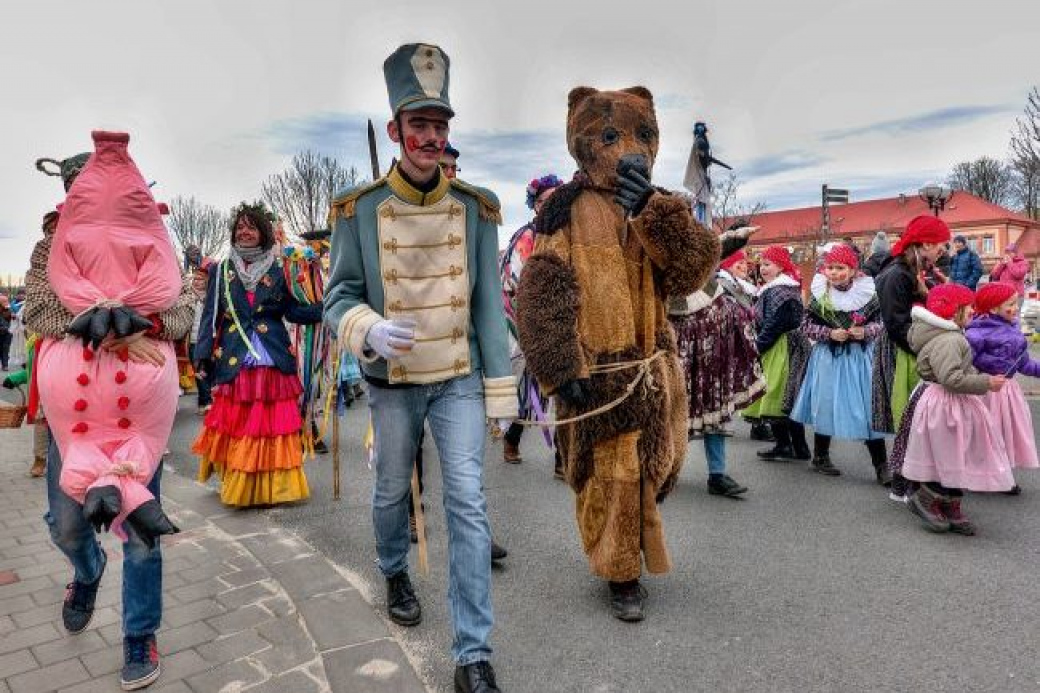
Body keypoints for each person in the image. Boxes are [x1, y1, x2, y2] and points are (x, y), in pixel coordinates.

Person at [323, 43, 515, 693]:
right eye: (420, 125)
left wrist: (499, 390)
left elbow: (490, 302)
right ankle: (393, 566)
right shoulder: (360, 209)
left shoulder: (477, 207)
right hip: (394, 382)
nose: (432, 137)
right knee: (389, 495)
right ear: (395, 130)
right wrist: (367, 326)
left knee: (466, 502)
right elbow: (337, 297)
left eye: (440, 126)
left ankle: (472, 654)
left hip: (457, 375)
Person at [516, 85, 718, 623]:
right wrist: (560, 367)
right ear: (585, 140)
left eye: (641, 135)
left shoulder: (660, 205)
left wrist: (654, 211)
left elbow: (692, 271)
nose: (629, 148)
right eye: (611, 136)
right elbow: (541, 291)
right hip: (599, 371)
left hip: (653, 371)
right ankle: (623, 572)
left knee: (652, 471)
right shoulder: (564, 212)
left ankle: (630, 553)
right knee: (615, 477)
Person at [25, 143, 195, 691]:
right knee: (66, 524)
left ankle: (138, 633)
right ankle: (87, 569)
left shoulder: (151, 237)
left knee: (141, 530)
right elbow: (38, 309)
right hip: (74, 417)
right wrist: (93, 321)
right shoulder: (51, 243)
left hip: (135, 423)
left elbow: (183, 306)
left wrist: (139, 323)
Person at [192, 202, 323, 508]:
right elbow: (211, 315)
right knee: (239, 423)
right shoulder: (222, 270)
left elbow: (292, 311)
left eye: (251, 227)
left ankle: (272, 487)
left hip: (272, 357)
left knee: (269, 423)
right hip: (235, 356)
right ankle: (241, 483)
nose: (245, 232)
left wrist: (324, 307)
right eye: (240, 227)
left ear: (263, 233)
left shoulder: (281, 270)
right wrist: (202, 356)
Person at [901, 283, 1013, 535]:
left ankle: (950, 504)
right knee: (948, 454)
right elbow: (951, 378)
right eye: (967, 307)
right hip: (946, 404)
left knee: (954, 453)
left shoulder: (952, 336)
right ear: (952, 312)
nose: (973, 311)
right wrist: (985, 382)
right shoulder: (949, 340)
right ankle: (927, 500)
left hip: (949, 403)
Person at [669, 237, 762, 498]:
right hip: (677, 365)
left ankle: (717, 475)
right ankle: (665, 471)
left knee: (715, 416)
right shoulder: (663, 294)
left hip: (712, 365)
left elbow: (741, 318)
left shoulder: (716, 289)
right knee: (672, 418)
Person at [790, 244, 889, 481]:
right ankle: (820, 455)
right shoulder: (819, 294)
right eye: (830, 268)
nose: (834, 272)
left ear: (853, 270)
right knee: (825, 402)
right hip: (828, 357)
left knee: (867, 406)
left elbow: (881, 323)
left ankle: (881, 465)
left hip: (859, 357)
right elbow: (805, 326)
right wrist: (828, 333)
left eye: (840, 268)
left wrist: (865, 331)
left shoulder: (868, 294)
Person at [872, 215, 951, 500]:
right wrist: (930, 350)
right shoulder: (897, 274)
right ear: (925, 243)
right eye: (941, 245)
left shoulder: (916, 271)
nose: (944, 250)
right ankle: (903, 483)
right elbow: (896, 324)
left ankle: (916, 479)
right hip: (904, 351)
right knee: (912, 419)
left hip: (917, 348)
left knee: (920, 419)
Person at [499, 173, 564, 467]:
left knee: (564, 387)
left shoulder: (571, 233)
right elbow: (515, 280)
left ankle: (564, 457)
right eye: (542, 201)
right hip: (529, 319)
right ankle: (512, 437)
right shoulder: (527, 237)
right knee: (528, 388)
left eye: (555, 199)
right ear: (534, 205)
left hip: (564, 319)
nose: (549, 206)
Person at [965, 281, 1040, 493]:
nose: (1016, 309)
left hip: (1009, 392)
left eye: (1016, 303)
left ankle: (1001, 476)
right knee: (986, 434)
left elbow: (1024, 363)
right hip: (988, 390)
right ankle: (979, 476)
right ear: (993, 307)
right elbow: (968, 361)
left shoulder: (1014, 329)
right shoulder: (976, 333)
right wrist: (993, 365)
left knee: (1006, 434)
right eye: (1011, 304)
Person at [742, 246, 811, 461]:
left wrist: (758, 346)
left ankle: (791, 445)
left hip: (783, 347)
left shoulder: (782, 291)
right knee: (781, 396)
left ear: (780, 266)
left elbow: (775, 324)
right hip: (778, 345)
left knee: (778, 395)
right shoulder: (774, 288)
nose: (763, 269)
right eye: (761, 264)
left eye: (768, 264)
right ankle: (793, 446)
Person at [189, 260, 213, 414]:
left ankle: (208, 400)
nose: (197, 282)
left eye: (200, 279)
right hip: (192, 340)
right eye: (195, 279)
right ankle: (205, 401)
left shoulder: (212, 298)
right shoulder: (187, 297)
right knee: (199, 371)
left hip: (209, 339)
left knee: (209, 370)